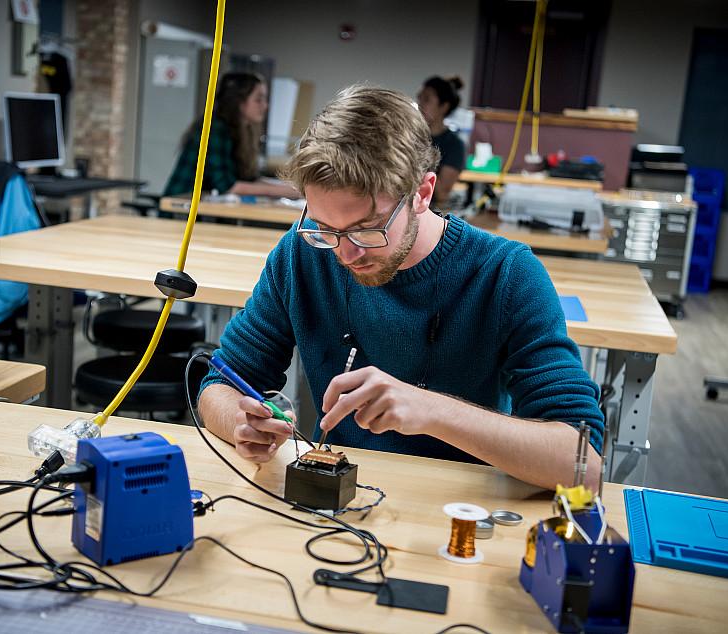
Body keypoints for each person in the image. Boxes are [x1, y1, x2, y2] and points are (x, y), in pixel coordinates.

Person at [197, 86, 603, 490]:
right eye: (325, 228)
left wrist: (430, 410)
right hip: (344, 505)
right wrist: (241, 422)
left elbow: (582, 464)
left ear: (423, 193)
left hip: (462, 512)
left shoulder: (506, 274)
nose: (346, 253)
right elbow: (218, 386)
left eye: (366, 229)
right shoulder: (301, 254)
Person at [163, 72, 299, 198]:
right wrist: (286, 192)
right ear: (239, 102)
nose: (265, 106)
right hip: (180, 208)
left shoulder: (241, 131)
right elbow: (227, 186)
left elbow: (249, 179)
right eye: (258, 100)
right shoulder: (216, 128)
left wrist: (292, 187)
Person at [416, 76, 466, 206]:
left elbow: (442, 194)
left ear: (443, 107)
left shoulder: (454, 145)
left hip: (428, 211)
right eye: (419, 98)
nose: (419, 104)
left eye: (426, 99)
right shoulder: (409, 135)